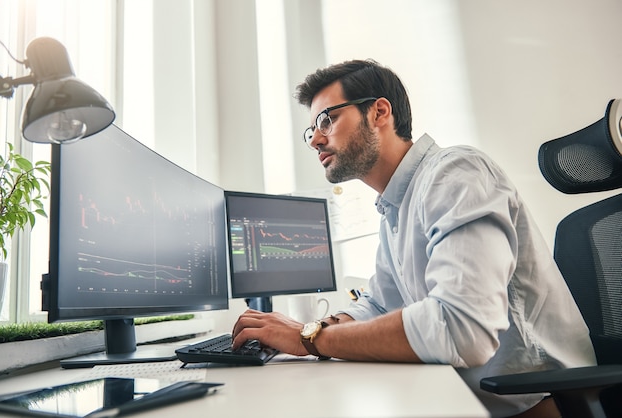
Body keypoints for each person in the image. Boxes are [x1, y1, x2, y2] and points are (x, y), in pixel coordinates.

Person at [231, 59, 596, 418]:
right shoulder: (395, 206)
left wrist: (309, 338)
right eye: (312, 129)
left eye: (327, 119)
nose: (316, 140)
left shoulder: (456, 174)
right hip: (468, 398)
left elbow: (461, 328)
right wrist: (318, 328)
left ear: (379, 112)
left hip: (539, 403)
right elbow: (378, 304)